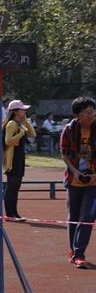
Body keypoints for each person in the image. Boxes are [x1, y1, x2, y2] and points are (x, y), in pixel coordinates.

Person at [59, 96, 96, 269]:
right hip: (74, 180)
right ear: (77, 115)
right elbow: (64, 153)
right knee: (73, 218)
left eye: (93, 112)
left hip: (94, 182)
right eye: (87, 113)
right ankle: (73, 251)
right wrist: (75, 171)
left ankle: (79, 254)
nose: (91, 115)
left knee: (87, 218)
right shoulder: (69, 130)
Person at [2, 99, 36, 222]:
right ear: (15, 111)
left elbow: (32, 134)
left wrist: (26, 122)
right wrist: (21, 133)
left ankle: (14, 213)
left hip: (20, 157)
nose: (24, 111)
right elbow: (8, 141)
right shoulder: (12, 124)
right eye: (22, 109)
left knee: (16, 188)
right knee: (12, 187)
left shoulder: (20, 123)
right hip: (13, 158)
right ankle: (9, 214)